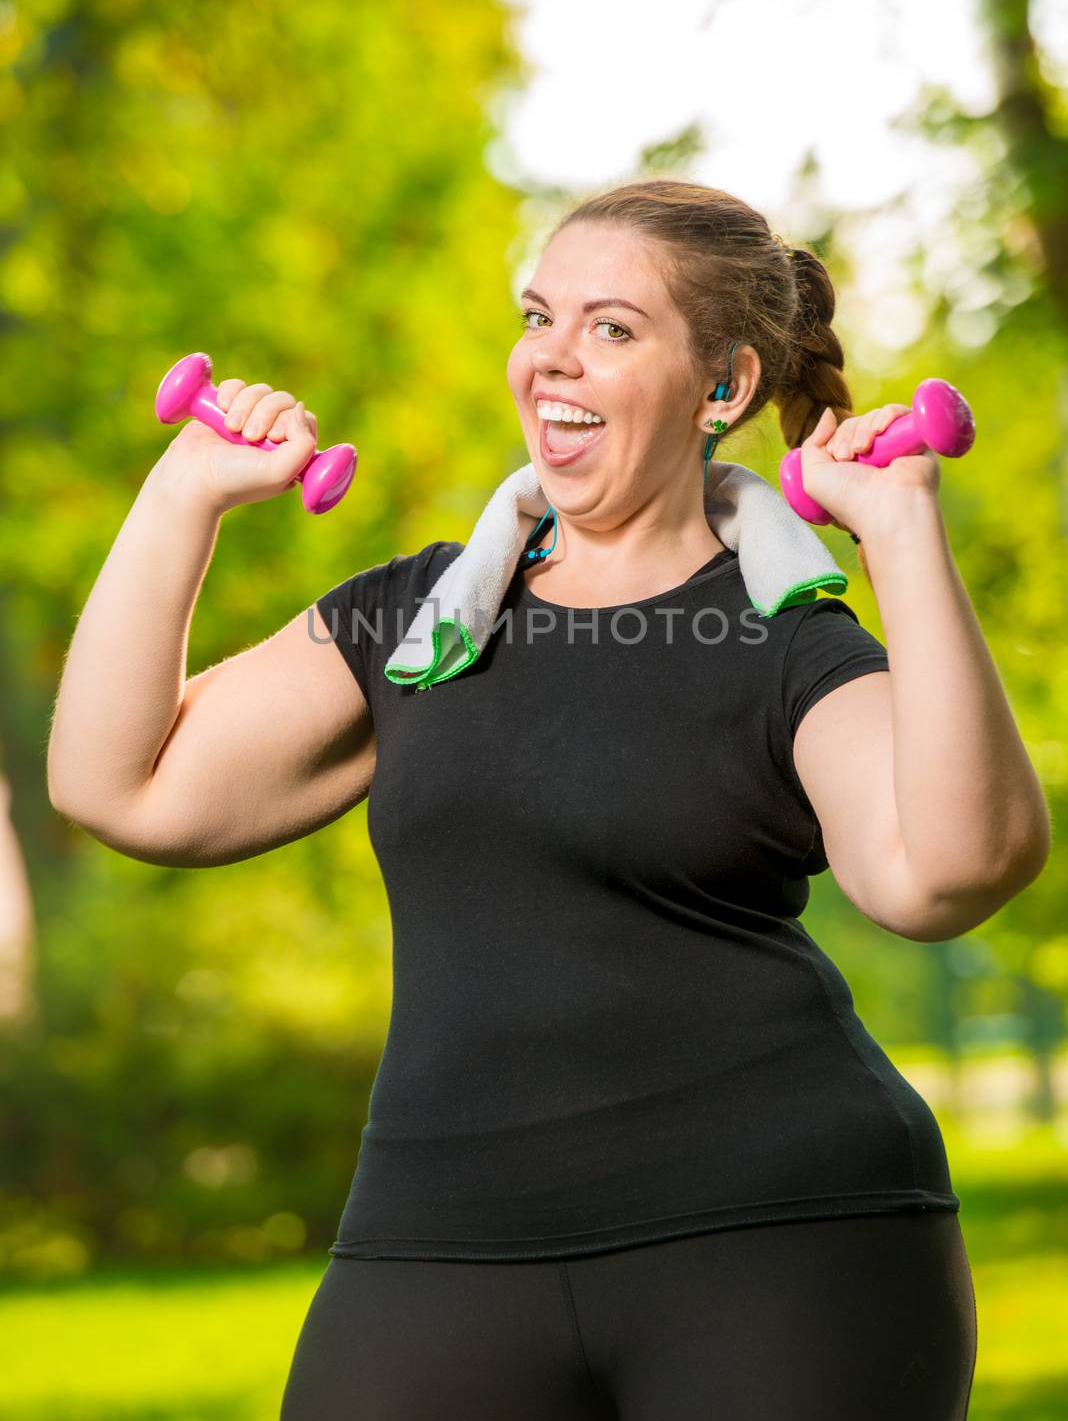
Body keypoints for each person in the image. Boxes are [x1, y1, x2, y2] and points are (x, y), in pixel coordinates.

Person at [47, 179, 1050, 1420]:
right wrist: (184, 493)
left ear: (724, 387)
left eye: (613, 329)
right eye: (538, 317)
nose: (551, 361)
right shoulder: (419, 619)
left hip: (781, 1239)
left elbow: (950, 870)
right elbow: (119, 784)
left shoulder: (787, 641)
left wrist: (902, 540)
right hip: (436, 1239)